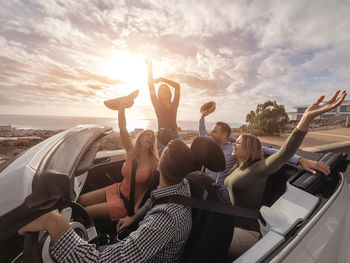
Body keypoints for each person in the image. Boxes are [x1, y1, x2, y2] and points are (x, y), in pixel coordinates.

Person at [18, 140, 193, 263]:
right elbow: (156, 199)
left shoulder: (165, 220)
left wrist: (56, 224)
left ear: (159, 166)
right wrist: (134, 217)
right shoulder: (182, 185)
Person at [224, 90, 347, 230]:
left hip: (248, 228)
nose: (233, 144)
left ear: (249, 148)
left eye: (238, 142)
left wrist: (306, 117)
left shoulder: (259, 168)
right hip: (231, 220)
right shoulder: (239, 166)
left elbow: (285, 152)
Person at [199, 105, 331, 187]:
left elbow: (279, 153)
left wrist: (300, 160)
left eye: (215, 131)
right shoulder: (215, 147)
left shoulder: (241, 157)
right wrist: (202, 116)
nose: (210, 133)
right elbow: (202, 133)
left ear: (225, 135)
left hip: (218, 194)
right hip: (205, 186)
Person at [78, 96, 158, 221]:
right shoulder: (132, 152)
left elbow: (149, 188)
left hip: (126, 203)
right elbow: (123, 128)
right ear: (140, 138)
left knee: (85, 212)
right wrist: (121, 107)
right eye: (147, 134)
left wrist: (137, 208)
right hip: (117, 189)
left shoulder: (154, 161)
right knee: (80, 200)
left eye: (152, 136)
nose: (150, 137)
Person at [146, 60, 182, 153]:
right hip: (162, 137)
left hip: (175, 135)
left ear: (169, 92)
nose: (164, 91)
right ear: (159, 94)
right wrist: (149, 68)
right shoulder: (157, 104)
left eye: (166, 89)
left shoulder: (174, 104)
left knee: (182, 157)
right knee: (163, 163)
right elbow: (150, 85)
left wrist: (162, 79)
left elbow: (177, 86)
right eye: (161, 90)